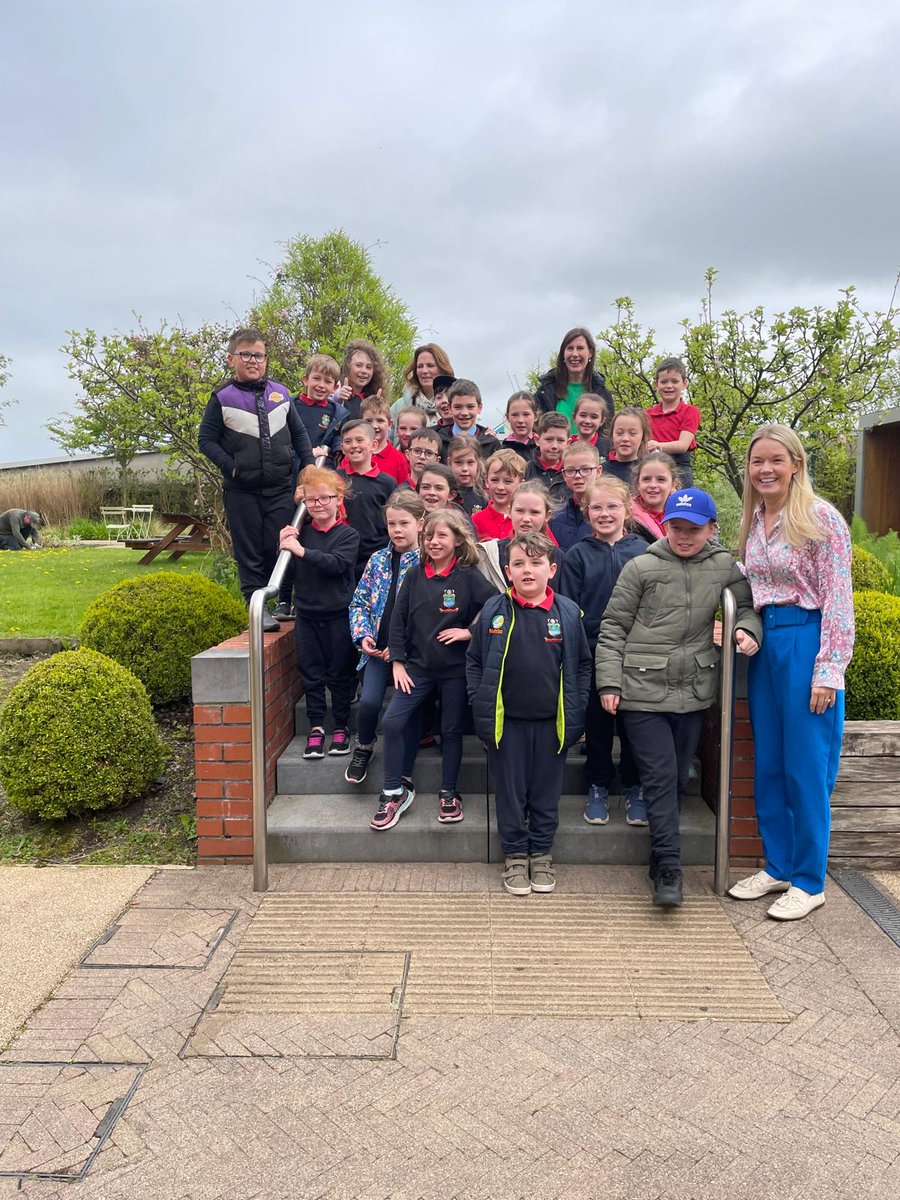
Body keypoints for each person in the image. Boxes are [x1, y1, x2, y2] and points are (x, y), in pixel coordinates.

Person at [596, 488, 761, 908]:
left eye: (693, 529)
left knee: (675, 778)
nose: (683, 536)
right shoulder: (641, 567)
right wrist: (609, 684)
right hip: (641, 691)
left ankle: (658, 855)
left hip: (694, 691)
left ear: (711, 528)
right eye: (675, 527)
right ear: (664, 525)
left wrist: (746, 631)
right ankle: (670, 867)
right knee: (659, 776)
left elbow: (746, 607)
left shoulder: (725, 566)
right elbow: (612, 627)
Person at [728, 425, 854, 920]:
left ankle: (809, 879)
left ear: (795, 463)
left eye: (775, 460)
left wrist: (828, 670)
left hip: (808, 639)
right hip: (768, 643)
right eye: (758, 461)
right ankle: (778, 863)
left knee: (806, 765)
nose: (765, 469)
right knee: (772, 763)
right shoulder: (755, 520)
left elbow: (839, 600)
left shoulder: (820, 518)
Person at [467, 532, 592, 896]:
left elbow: (583, 665)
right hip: (508, 726)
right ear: (507, 571)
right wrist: (479, 699)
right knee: (510, 793)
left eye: (536, 563)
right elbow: (474, 661)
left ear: (551, 570)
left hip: (552, 726)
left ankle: (541, 853)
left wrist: (578, 704)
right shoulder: (493, 611)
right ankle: (515, 856)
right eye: (519, 563)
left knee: (545, 793)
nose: (527, 570)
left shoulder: (567, 613)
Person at [371, 508, 496, 830]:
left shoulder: (468, 575)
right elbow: (397, 620)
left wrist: (470, 631)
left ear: (457, 539)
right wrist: (398, 662)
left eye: (442, 535)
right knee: (394, 721)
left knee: (452, 730)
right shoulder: (414, 575)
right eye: (429, 536)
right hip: (417, 669)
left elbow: (498, 606)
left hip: (455, 671)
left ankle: (449, 792)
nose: (434, 542)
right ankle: (393, 791)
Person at [199, 327, 313, 631]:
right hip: (242, 492)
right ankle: (256, 607)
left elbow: (300, 434)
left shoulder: (281, 393)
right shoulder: (222, 397)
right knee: (248, 552)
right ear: (231, 358)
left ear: (265, 359)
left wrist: (309, 467)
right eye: (245, 354)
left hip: (279, 490)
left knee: (276, 546)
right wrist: (231, 466)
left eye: (258, 355)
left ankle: (280, 602)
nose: (253, 360)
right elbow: (206, 440)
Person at [557, 477, 648, 826]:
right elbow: (570, 607)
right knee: (596, 723)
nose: (605, 513)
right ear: (586, 511)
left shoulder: (642, 552)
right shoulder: (577, 555)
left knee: (633, 723)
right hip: (593, 652)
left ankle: (634, 786)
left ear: (627, 510)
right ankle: (597, 783)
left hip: (636, 652)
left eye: (612, 506)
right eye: (597, 507)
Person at [278, 467, 360, 759]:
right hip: (308, 616)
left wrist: (300, 550)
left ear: (339, 499)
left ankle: (340, 726)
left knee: (340, 673)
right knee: (311, 673)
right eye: (311, 500)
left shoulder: (347, 535)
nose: (318, 505)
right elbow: (286, 571)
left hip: (338, 615)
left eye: (324, 498)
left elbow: (337, 564)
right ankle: (316, 727)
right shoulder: (301, 535)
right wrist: (287, 544)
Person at [345, 490, 426, 785]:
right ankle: (364, 746)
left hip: (411, 654)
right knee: (368, 703)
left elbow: (428, 614)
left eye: (404, 523)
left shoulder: (426, 563)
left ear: (420, 522)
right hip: (377, 651)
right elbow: (359, 602)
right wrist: (363, 635)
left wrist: (401, 647)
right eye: (392, 524)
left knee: (407, 708)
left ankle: (405, 766)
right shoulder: (378, 560)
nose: (397, 530)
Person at [477, 480, 562, 591]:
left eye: (534, 512)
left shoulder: (556, 555)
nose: (526, 519)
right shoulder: (492, 553)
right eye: (520, 511)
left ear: (547, 515)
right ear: (510, 512)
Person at [337, 419, 396, 578]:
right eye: (348, 441)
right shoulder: (334, 479)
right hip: (342, 554)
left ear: (374, 445)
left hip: (376, 556)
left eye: (359, 440)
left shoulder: (387, 483)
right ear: (342, 448)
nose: (354, 445)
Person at [533, 327, 610, 427]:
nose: (574, 354)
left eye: (580, 348)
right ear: (563, 353)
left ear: (590, 353)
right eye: (570, 348)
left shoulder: (602, 393)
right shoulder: (545, 391)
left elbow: (607, 434)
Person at [646, 357, 701, 487]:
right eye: (664, 381)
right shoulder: (646, 414)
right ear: (656, 384)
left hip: (679, 468)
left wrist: (656, 446)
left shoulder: (690, 411)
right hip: (651, 465)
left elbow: (683, 445)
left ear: (684, 383)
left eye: (675, 381)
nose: (669, 386)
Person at [293, 353, 347, 468]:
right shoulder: (291, 406)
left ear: (335, 388)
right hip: (293, 467)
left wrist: (338, 450)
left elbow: (337, 435)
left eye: (327, 381)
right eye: (316, 378)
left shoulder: (337, 413)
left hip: (322, 468)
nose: (321, 385)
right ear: (305, 380)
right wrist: (307, 454)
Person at [548, 442, 601, 550]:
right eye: (571, 470)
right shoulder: (554, 517)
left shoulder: (607, 515)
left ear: (598, 471)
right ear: (564, 475)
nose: (577, 476)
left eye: (585, 469)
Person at [390, 343, 454, 426]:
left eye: (430, 366)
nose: (424, 371)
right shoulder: (399, 407)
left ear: (442, 369)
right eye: (420, 366)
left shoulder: (456, 405)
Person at [437, 380, 502, 461]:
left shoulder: (491, 444)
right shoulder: (438, 440)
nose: (464, 413)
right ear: (449, 408)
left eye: (470, 407)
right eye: (458, 407)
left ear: (479, 408)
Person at [472, 449, 526, 541]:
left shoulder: (528, 518)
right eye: (495, 480)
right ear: (486, 481)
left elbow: (551, 550)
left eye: (508, 481)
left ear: (521, 484)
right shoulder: (476, 520)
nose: (500, 487)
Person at [629, 451, 681, 542]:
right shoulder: (626, 517)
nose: (653, 485)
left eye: (661, 479)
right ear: (638, 484)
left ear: (673, 485)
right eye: (646, 479)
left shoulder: (686, 513)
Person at [359, 396, 411, 484]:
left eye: (380, 420)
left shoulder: (399, 460)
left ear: (390, 424)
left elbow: (404, 492)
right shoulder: (354, 454)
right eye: (368, 421)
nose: (374, 426)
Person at [336, 339, 390, 422]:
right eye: (358, 365)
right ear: (347, 366)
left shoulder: (375, 397)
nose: (364, 371)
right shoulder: (336, 391)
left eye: (368, 367)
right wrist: (338, 399)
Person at [525, 412, 570, 501]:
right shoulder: (526, 470)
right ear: (537, 440)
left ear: (568, 443)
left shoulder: (571, 472)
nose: (554, 446)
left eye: (560, 440)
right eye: (549, 439)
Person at [602, 407, 651, 484]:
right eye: (619, 433)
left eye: (632, 433)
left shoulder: (648, 471)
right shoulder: (600, 471)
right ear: (612, 435)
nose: (625, 438)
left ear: (643, 436)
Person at [446, 435, 487, 516]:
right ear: (449, 462)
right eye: (458, 462)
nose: (465, 468)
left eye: (470, 462)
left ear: (478, 463)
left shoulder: (485, 497)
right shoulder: (444, 493)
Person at [570, 392, 612, 458]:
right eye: (583, 415)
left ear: (602, 421)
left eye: (594, 417)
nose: (587, 421)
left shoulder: (608, 446)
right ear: (574, 417)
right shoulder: (566, 444)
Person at [502, 391, 539, 461]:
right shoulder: (501, 451)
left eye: (526, 414)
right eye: (515, 415)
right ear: (507, 418)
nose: (520, 420)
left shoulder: (542, 448)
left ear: (536, 416)